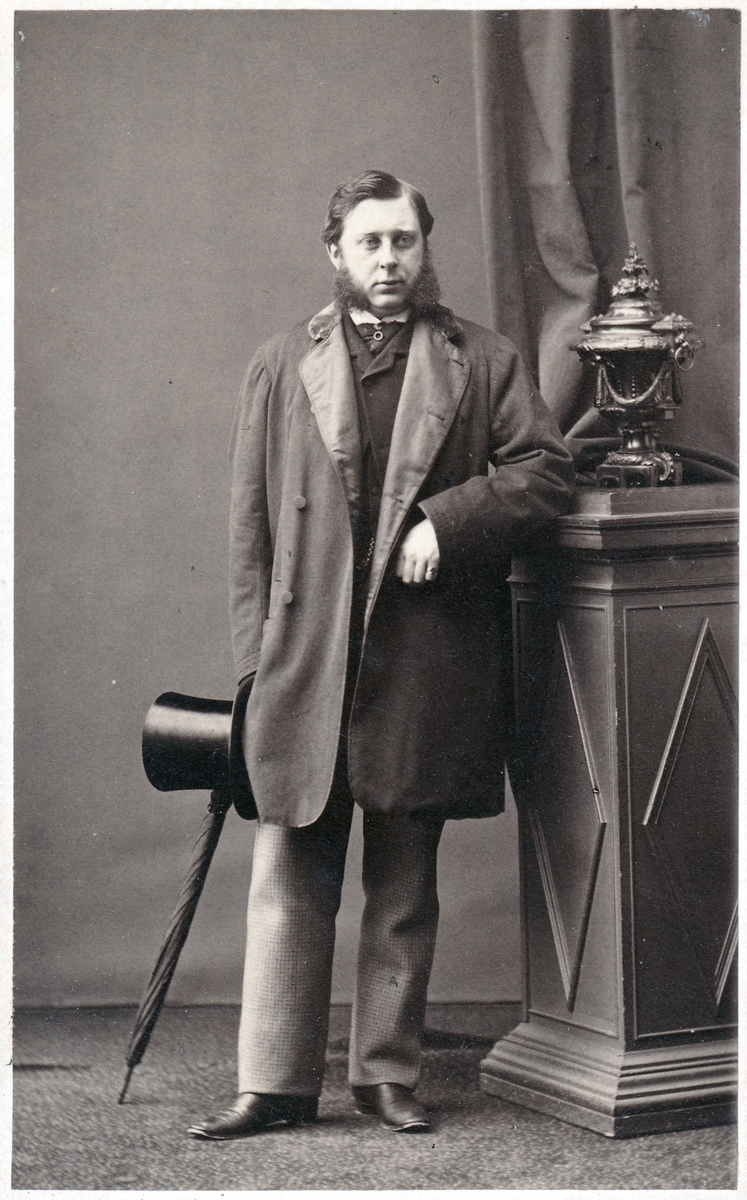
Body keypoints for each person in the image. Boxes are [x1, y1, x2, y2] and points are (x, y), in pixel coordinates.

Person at [189, 170, 574, 1140]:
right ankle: (273, 1084)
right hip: (307, 659)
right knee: (289, 876)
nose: (389, 260)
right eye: (369, 242)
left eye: (404, 240)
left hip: (423, 657)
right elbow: (248, 532)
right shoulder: (282, 362)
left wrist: (449, 520)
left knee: (403, 882)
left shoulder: (481, 360)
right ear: (336, 253)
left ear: (423, 247)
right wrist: (255, 672)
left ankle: (386, 1076)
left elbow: (545, 471)